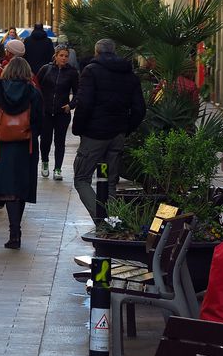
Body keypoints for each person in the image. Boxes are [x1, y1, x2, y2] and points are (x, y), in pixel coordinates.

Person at [72, 38, 146, 220]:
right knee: (109, 181)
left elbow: (84, 103)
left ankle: (101, 219)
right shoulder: (129, 74)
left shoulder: (91, 71)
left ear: (96, 52)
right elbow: (139, 109)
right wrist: (126, 128)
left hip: (95, 136)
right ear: (114, 52)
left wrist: (79, 128)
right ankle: (114, 221)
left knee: (82, 178)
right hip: (116, 136)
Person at [0, 57, 43, 249]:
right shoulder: (34, 93)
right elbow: (39, 119)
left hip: (0, 146)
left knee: (8, 189)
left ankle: (14, 232)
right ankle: (16, 230)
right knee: (20, 188)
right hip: (26, 146)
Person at [36, 44, 80, 180]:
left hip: (62, 112)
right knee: (45, 140)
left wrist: (71, 105)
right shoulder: (46, 69)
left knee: (60, 141)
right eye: (61, 55)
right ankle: (44, 162)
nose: (64, 58)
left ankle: (58, 168)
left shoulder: (72, 72)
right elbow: (36, 87)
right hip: (46, 112)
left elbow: (78, 92)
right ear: (55, 56)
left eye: (66, 56)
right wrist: (39, 104)